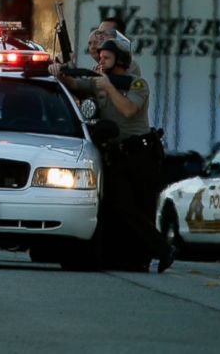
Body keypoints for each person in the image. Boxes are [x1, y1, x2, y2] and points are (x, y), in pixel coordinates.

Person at [50, 36, 175, 273]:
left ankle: (151, 255)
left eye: (106, 57)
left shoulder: (137, 84)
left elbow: (129, 110)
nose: (101, 61)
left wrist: (108, 87)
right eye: (100, 57)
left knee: (142, 208)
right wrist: (59, 72)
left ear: (120, 60)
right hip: (117, 156)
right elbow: (75, 84)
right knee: (120, 205)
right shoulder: (98, 82)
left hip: (141, 154)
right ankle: (156, 251)